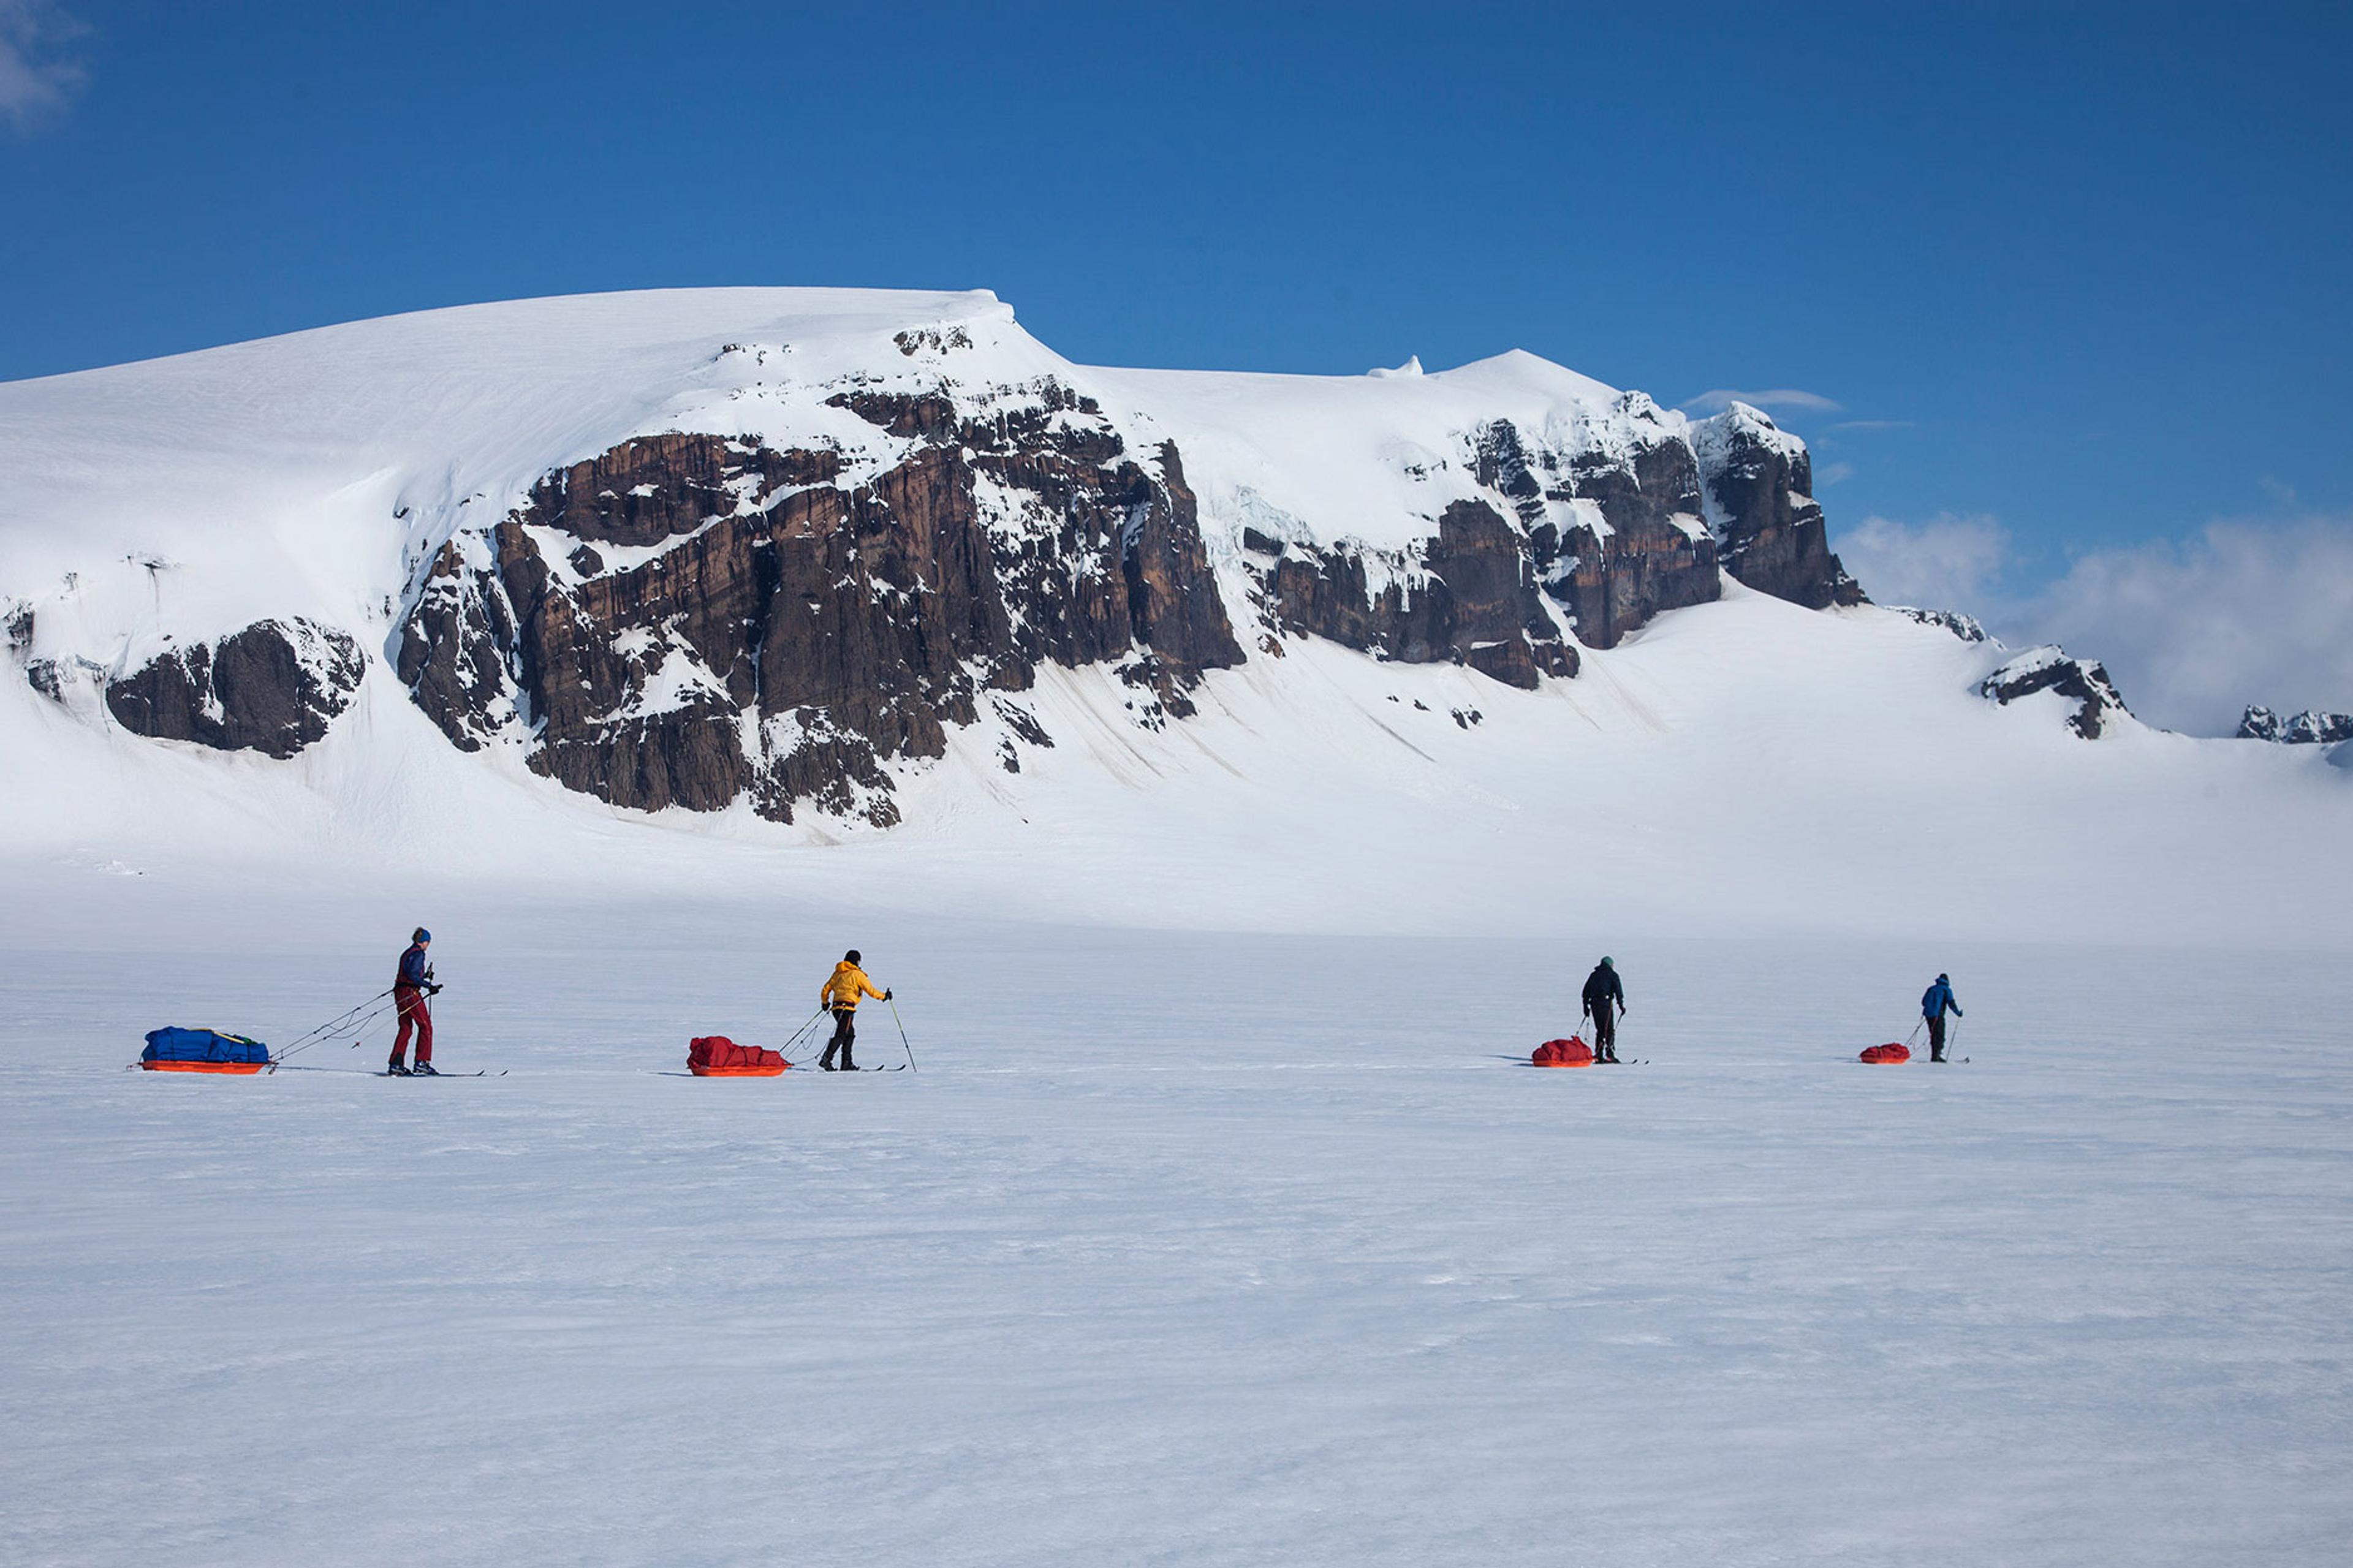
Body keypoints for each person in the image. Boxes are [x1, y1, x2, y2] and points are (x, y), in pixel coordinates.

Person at [819, 949, 890, 1071]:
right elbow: (871, 991)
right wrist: (884, 996)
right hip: (847, 1009)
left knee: (849, 1034)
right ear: (856, 961)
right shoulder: (858, 975)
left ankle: (846, 1063)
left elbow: (826, 989)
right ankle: (827, 1059)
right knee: (842, 1034)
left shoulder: (838, 973)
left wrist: (825, 1003)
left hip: (836, 1009)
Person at [388, 926, 443, 1076]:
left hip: (400, 993)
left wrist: (424, 975)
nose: (428, 945)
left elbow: (409, 973)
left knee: (406, 1028)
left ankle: (396, 1063)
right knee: (425, 1026)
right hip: (411, 994)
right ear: (424, 942)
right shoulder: (419, 954)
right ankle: (422, 1062)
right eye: (428, 942)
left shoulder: (407, 953)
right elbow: (413, 976)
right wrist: (429, 986)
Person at [1580, 956, 1626, 1064]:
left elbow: (1585, 992)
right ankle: (1609, 1055)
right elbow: (1618, 991)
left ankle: (1599, 1054)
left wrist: (1585, 1007)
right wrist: (1621, 1006)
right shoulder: (1613, 975)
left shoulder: (1594, 975)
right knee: (1609, 1030)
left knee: (1600, 1030)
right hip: (1606, 1005)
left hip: (1595, 1005)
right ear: (1610, 965)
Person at [1921, 972, 1963, 1062]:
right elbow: (1951, 1003)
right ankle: (1936, 1057)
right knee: (1940, 1036)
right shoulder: (1946, 990)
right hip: (1938, 1016)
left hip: (1929, 1016)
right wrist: (1958, 1013)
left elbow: (1924, 1002)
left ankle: (1934, 1056)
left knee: (1934, 1035)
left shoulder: (1931, 989)